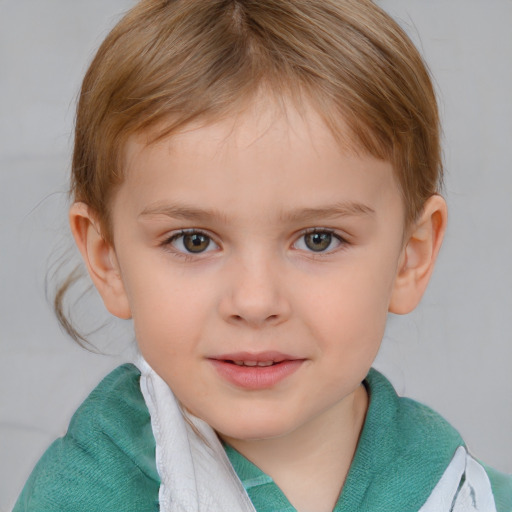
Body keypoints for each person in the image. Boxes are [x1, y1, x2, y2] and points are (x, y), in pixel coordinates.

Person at [13, 0, 512, 510]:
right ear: (108, 259)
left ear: (411, 256)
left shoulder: (471, 495)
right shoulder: (78, 496)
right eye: (193, 240)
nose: (254, 302)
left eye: (319, 238)